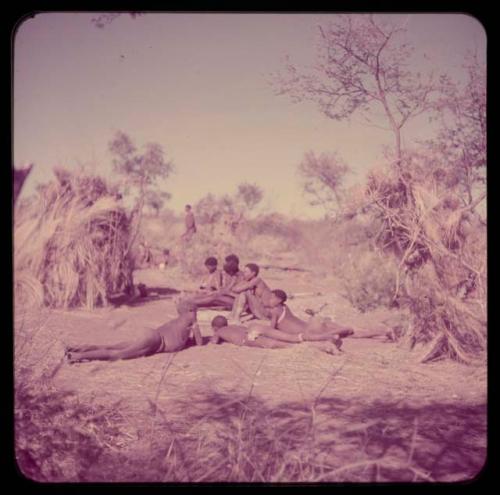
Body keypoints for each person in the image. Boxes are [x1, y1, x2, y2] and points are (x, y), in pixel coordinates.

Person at [65, 301, 202, 363]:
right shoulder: (191, 320)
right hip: (156, 341)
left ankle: (76, 348)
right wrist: (196, 328)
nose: (196, 314)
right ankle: (77, 356)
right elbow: (200, 342)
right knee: (118, 354)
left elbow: (181, 338)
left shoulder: (177, 321)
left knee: (114, 346)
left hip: (151, 333)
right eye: (196, 311)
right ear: (190, 311)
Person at [246, 289, 354, 349]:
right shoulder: (284, 307)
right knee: (327, 332)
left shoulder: (275, 311)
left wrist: (262, 331)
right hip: (307, 326)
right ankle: (343, 331)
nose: (269, 300)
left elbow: (272, 330)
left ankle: (339, 333)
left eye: (271, 298)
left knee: (323, 336)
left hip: (304, 331)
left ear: (279, 300)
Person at [210, 315, 339, 354]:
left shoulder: (220, 331)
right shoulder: (234, 326)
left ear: (215, 327)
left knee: (287, 346)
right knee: (294, 338)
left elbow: (214, 342)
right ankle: (327, 338)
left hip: (247, 338)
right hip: (253, 327)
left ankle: (324, 347)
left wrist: (215, 336)